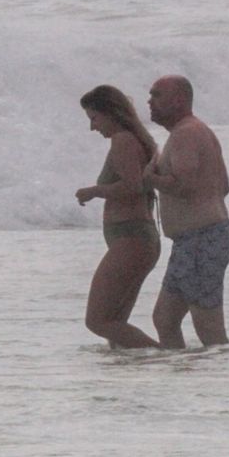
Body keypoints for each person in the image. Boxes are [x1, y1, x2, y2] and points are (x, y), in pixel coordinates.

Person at [144, 75, 229, 348]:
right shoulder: (193, 131)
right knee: (165, 319)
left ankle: (222, 383)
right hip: (193, 240)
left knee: (208, 326)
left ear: (179, 100)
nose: (150, 101)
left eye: (157, 95)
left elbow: (185, 185)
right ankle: (184, 382)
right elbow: (224, 186)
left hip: (201, 239)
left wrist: (151, 180)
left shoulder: (186, 133)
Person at [73, 85, 162, 349]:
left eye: (94, 118)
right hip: (137, 240)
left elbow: (133, 186)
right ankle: (123, 383)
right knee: (114, 325)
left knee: (98, 321)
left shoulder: (123, 140)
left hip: (132, 239)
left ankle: (164, 358)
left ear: (111, 113)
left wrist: (96, 190)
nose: (93, 127)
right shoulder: (135, 139)